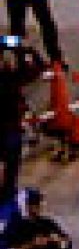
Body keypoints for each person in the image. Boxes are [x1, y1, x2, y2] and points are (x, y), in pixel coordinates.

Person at [0, 38, 45, 204]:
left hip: (9, 132)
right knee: (11, 172)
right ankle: (7, 201)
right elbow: (38, 68)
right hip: (10, 133)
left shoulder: (10, 76)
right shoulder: (11, 77)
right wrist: (26, 49)